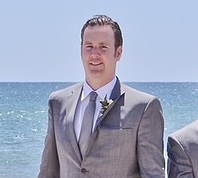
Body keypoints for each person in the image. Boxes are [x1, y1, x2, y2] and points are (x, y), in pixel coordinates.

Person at [38, 14, 165, 178]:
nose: (94, 54)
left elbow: (153, 174)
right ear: (81, 50)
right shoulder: (58, 103)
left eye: (103, 47)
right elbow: (48, 171)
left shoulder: (144, 107)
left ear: (118, 53)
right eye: (89, 46)